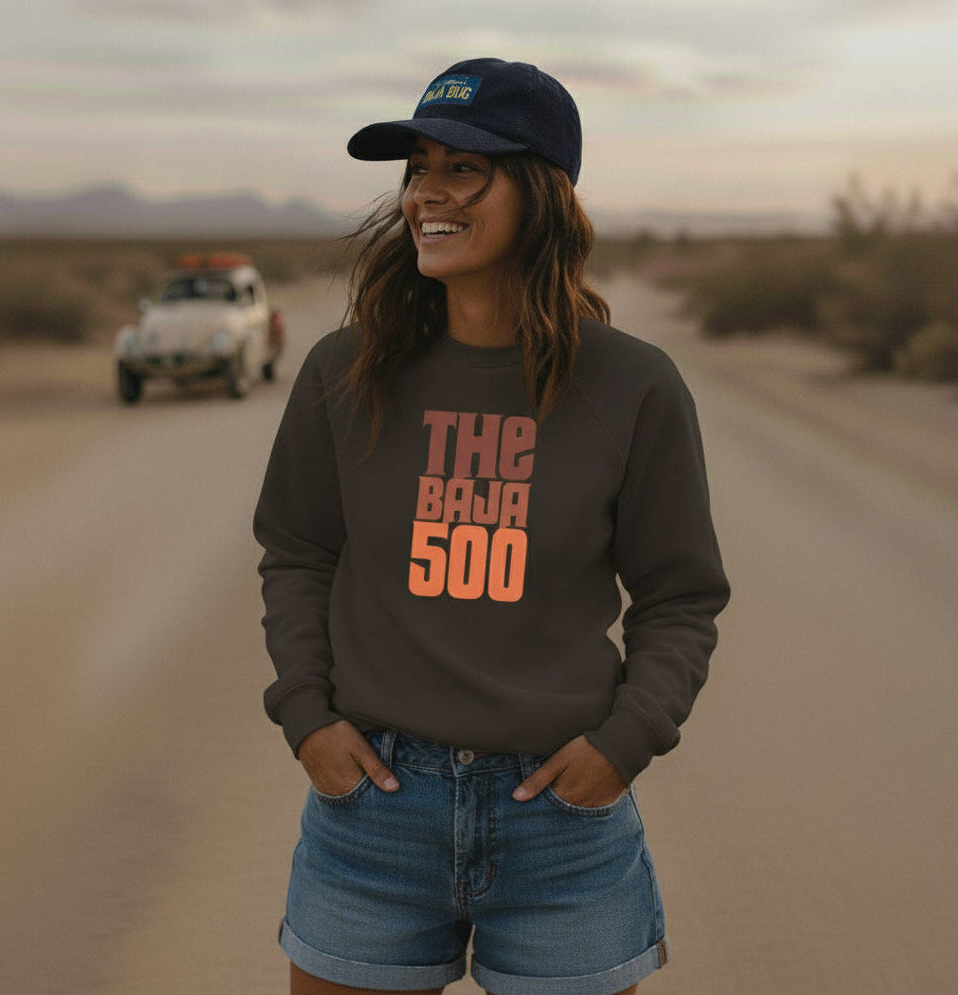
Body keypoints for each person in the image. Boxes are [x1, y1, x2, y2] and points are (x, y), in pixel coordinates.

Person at [254, 57, 729, 995]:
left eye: (464, 168)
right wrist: (306, 716)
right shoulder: (343, 371)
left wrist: (624, 743)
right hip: (373, 817)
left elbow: (679, 597)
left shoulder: (631, 386)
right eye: (417, 167)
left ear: (542, 194)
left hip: (560, 826)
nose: (429, 192)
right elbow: (299, 554)